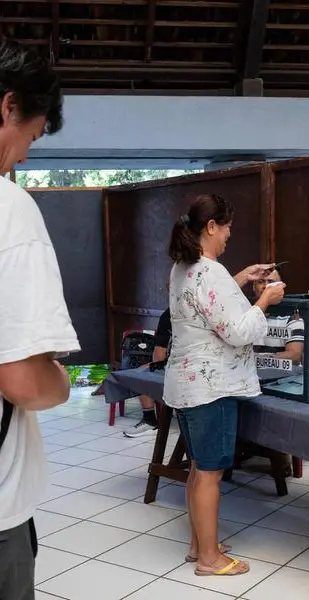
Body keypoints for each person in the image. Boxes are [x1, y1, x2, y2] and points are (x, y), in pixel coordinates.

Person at [164, 193, 285, 577]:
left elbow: (206, 303)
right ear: (212, 226)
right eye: (228, 225)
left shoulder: (184, 267)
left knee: (199, 467)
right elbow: (235, 330)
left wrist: (242, 278)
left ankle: (199, 545)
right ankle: (209, 560)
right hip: (211, 387)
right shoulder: (209, 272)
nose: (231, 233)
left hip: (185, 383)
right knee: (211, 472)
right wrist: (265, 299)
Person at [0, 40, 80, 600]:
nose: (25, 157)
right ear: (7, 107)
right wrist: (64, 380)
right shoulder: (8, 208)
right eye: (31, 135)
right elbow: (24, 381)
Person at [123, 308, 172, 438]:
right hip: (174, 363)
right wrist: (157, 366)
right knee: (142, 372)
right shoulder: (168, 315)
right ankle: (149, 419)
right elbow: (160, 352)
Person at [253, 267, 304, 364]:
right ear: (254, 288)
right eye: (261, 282)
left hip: (283, 377)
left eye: (271, 282)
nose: (266, 286)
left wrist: (260, 359)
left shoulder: (293, 317)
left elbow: (295, 355)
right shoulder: (247, 315)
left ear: (281, 288)